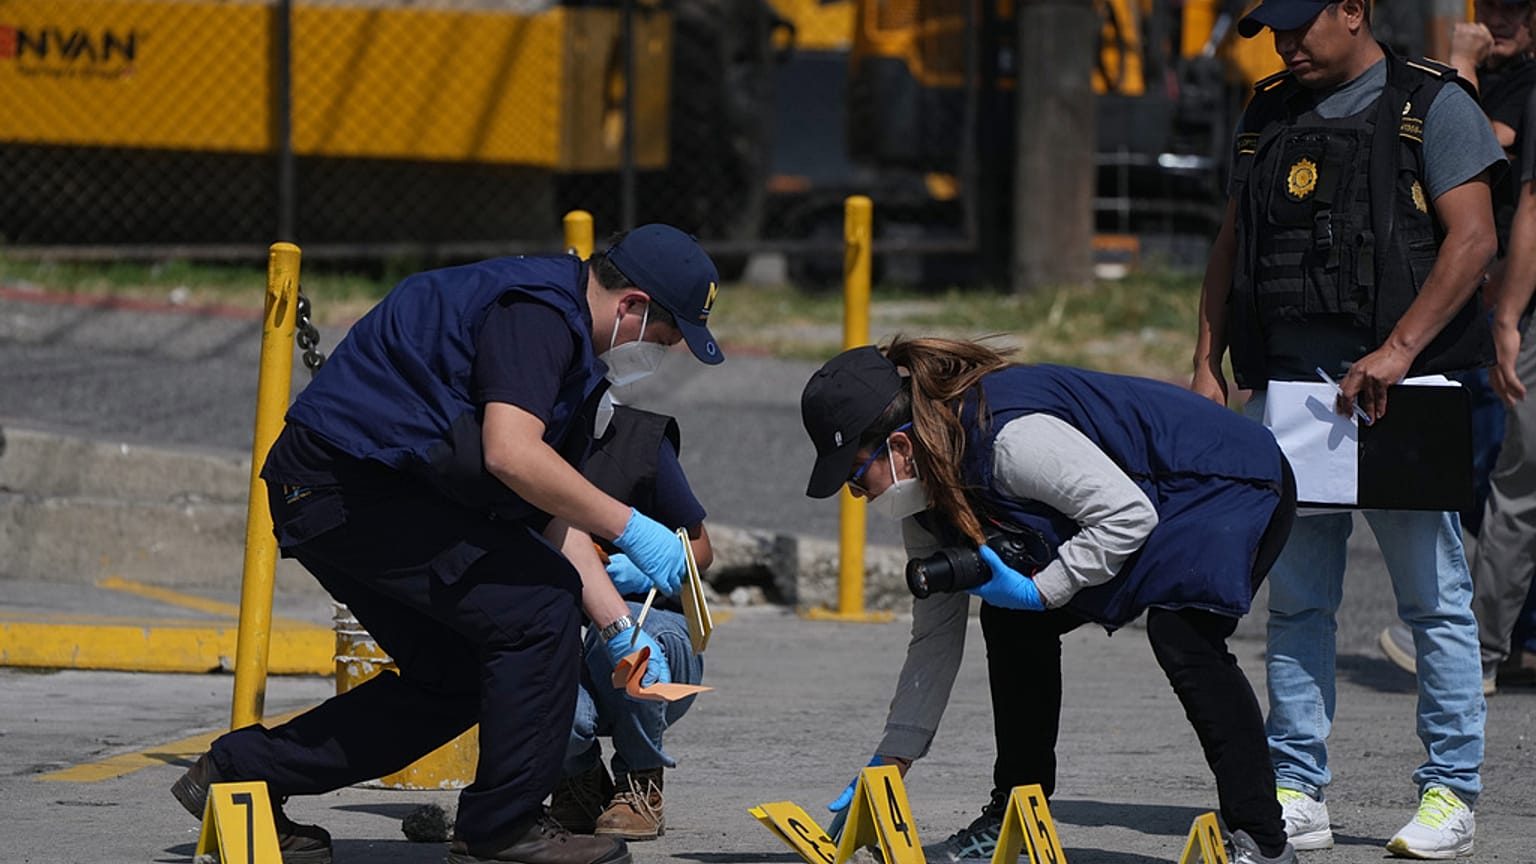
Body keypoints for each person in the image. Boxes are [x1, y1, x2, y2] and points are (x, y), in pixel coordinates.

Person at [168, 224, 726, 864]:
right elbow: (511, 454)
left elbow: (544, 509)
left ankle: (243, 772)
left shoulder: (569, 347)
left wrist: (620, 628)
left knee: (457, 677)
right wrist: (629, 526)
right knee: (540, 605)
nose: (667, 350)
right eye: (667, 334)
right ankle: (504, 830)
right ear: (633, 306)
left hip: (359, 490)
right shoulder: (540, 317)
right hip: (342, 487)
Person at [1190, 0, 1503, 855]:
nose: (1285, 45)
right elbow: (1231, 244)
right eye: (1273, 32)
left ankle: (1451, 795)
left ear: (1355, 10)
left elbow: (1472, 240)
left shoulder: (1432, 105)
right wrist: (1205, 362)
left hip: (1403, 392)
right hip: (1294, 396)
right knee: (1296, 605)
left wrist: (1398, 351)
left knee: (1434, 602)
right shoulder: (1267, 110)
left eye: (1300, 27)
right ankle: (1297, 788)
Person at [801, 338, 1300, 864]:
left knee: (1183, 635)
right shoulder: (924, 499)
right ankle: (1013, 815)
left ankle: (1263, 840)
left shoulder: (1010, 440)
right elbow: (934, 635)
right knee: (1011, 621)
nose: (855, 496)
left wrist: (1042, 589)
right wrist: (891, 759)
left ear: (900, 447)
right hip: (1145, 494)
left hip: (1224, 477)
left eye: (855, 476)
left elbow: (1126, 515)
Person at [1379, 0, 1536, 693]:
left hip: (1501, 306)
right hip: (1482, 306)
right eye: (1490, 5)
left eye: (1517, 9)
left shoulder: (1518, 87)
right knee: (1491, 481)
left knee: (1506, 483)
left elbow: (1487, 165)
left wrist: (1464, 64)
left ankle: (1482, 649)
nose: (1500, 19)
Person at [550, 403, 710, 841]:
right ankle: (577, 778)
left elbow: (701, 551)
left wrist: (637, 569)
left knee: (632, 638)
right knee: (524, 655)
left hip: (652, 639)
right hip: (561, 633)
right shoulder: (512, 444)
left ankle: (641, 779)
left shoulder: (640, 443)